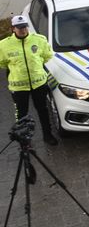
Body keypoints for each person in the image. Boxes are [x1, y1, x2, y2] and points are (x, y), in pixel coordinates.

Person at [0, 16, 57, 145]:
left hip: (39, 84)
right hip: (19, 88)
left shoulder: (39, 40)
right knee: (22, 115)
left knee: (43, 110)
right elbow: (2, 63)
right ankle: (24, 141)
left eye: (25, 26)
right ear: (13, 29)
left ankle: (48, 136)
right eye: (19, 28)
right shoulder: (4, 45)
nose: (23, 30)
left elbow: (47, 56)